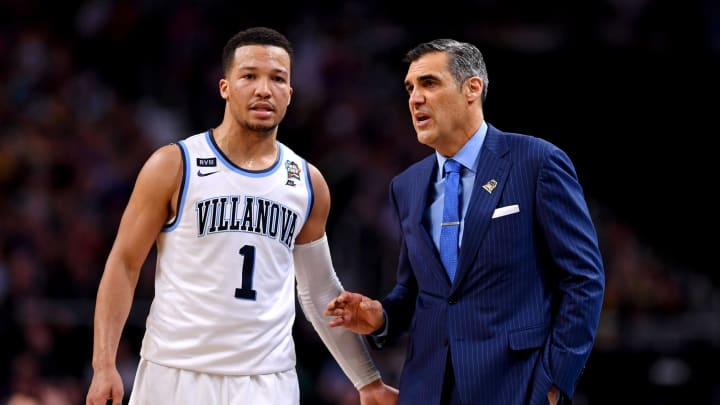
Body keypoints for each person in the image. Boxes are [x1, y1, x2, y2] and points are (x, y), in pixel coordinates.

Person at [86, 26, 398, 405]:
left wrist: (366, 381)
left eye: (277, 78)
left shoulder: (307, 183)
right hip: (175, 373)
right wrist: (103, 365)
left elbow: (319, 291)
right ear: (225, 87)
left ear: (289, 94)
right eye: (249, 76)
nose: (263, 89)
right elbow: (124, 264)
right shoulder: (173, 165)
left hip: (266, 383)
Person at [325, 38, 605, 405]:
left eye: (429, 83)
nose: (414, 98)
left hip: (515, 388)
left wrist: (553, 383)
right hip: (426, 390)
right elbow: (418, 292)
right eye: (410, 88)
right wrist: (381, 316)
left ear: (472, 88)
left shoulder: (536, 162)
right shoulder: (406, 186)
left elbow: (583, 280)